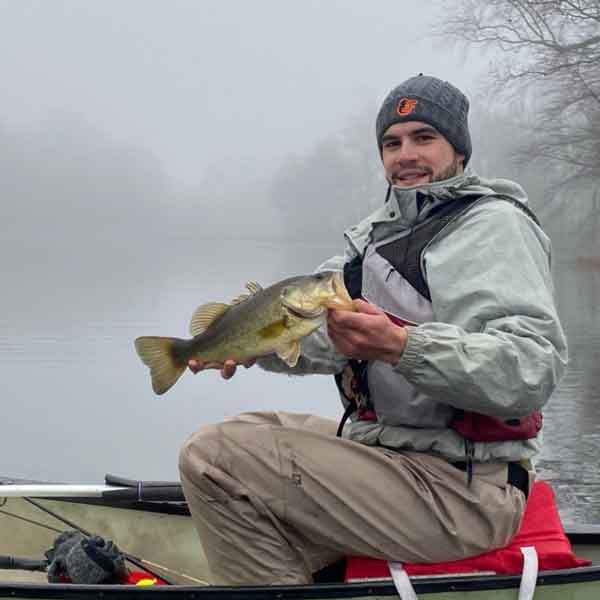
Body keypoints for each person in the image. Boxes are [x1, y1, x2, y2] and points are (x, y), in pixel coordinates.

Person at [179, 74, 568, 585]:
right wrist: (258, 347)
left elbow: (531, 369)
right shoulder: (374, 240)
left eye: (423, 138)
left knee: (214, 459)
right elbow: (326, 341)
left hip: (465, 491)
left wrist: (402, 346)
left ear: (460, 151)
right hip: (393, 458)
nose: (405, 154)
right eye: (392, 142)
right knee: (249, 430)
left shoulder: (494, 227)